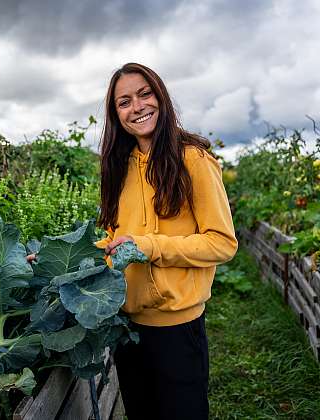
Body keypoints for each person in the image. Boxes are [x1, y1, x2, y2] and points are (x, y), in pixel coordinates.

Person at [96, 63, 238, 420]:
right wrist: (55, 257)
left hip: (177, 327)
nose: (137, 106)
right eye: (124, 101)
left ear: (160, 96)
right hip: (127, 327)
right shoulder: (118, 166)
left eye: (145, 94)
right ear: (116, 114)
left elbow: (221, 243)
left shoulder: (193, 158)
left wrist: (151, 246)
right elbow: (116, 241)